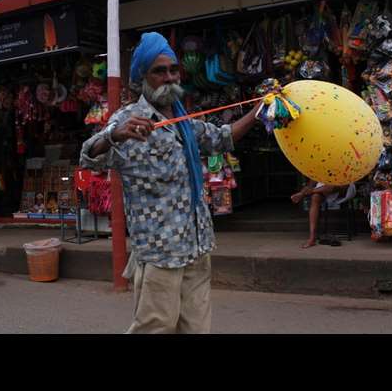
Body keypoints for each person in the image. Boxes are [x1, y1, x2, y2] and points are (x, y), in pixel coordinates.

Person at [80, 32, 259, 334]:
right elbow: (88, 155)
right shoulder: (128, 118)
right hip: (159, 250)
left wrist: (260, 111)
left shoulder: (182, 118)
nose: (169, 77)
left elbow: (220, 138)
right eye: (159, 71)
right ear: (142, 77)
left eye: (173, 69)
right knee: (156, 327)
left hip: (196, 244)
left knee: (196, 328)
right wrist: (115, 134)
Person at [291, 179, 355, 249]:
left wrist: (309, 191)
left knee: (330, 187)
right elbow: (311, 184)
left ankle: (309, 192)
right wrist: (302, 192)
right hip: (323, 188)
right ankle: (312, 237)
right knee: (315, 197)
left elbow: (334, 187)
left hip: (343, 187)